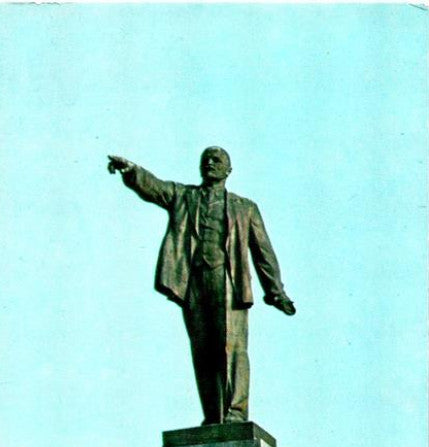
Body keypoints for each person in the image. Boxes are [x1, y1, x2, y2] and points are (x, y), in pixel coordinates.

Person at [108, 147, 295, 424]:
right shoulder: (184, 196)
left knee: (231, 347)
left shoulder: (245, 208)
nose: (210, 163)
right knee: (203, 351)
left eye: (217, 160)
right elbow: (155, 187)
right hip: (194, 282)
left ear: (228, 170)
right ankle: (212, 416)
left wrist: (276, 292)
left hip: (228, 282)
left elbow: (263, 252)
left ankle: (236, 412)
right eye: (205, 159)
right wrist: (132, 170)